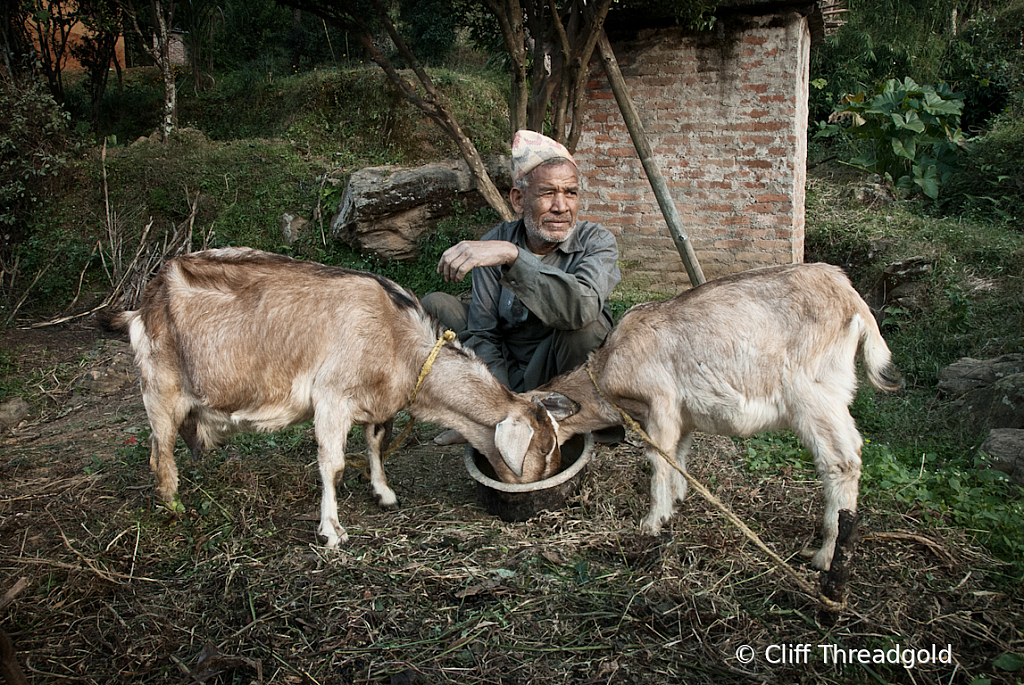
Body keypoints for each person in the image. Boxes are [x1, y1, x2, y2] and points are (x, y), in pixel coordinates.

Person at [422, 130, 622, 445]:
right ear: (519, 199)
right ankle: (494, 412)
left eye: (570, 193)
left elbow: (580, 308)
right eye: (547, 193)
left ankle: (580, 418)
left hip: (564, 365)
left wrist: (512, 256)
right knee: (435, 307)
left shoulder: (596, 242)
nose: (561, 206)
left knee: (587, 325)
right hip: (510, 368)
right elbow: (485, 334)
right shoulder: (493, 240)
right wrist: (503, 407)